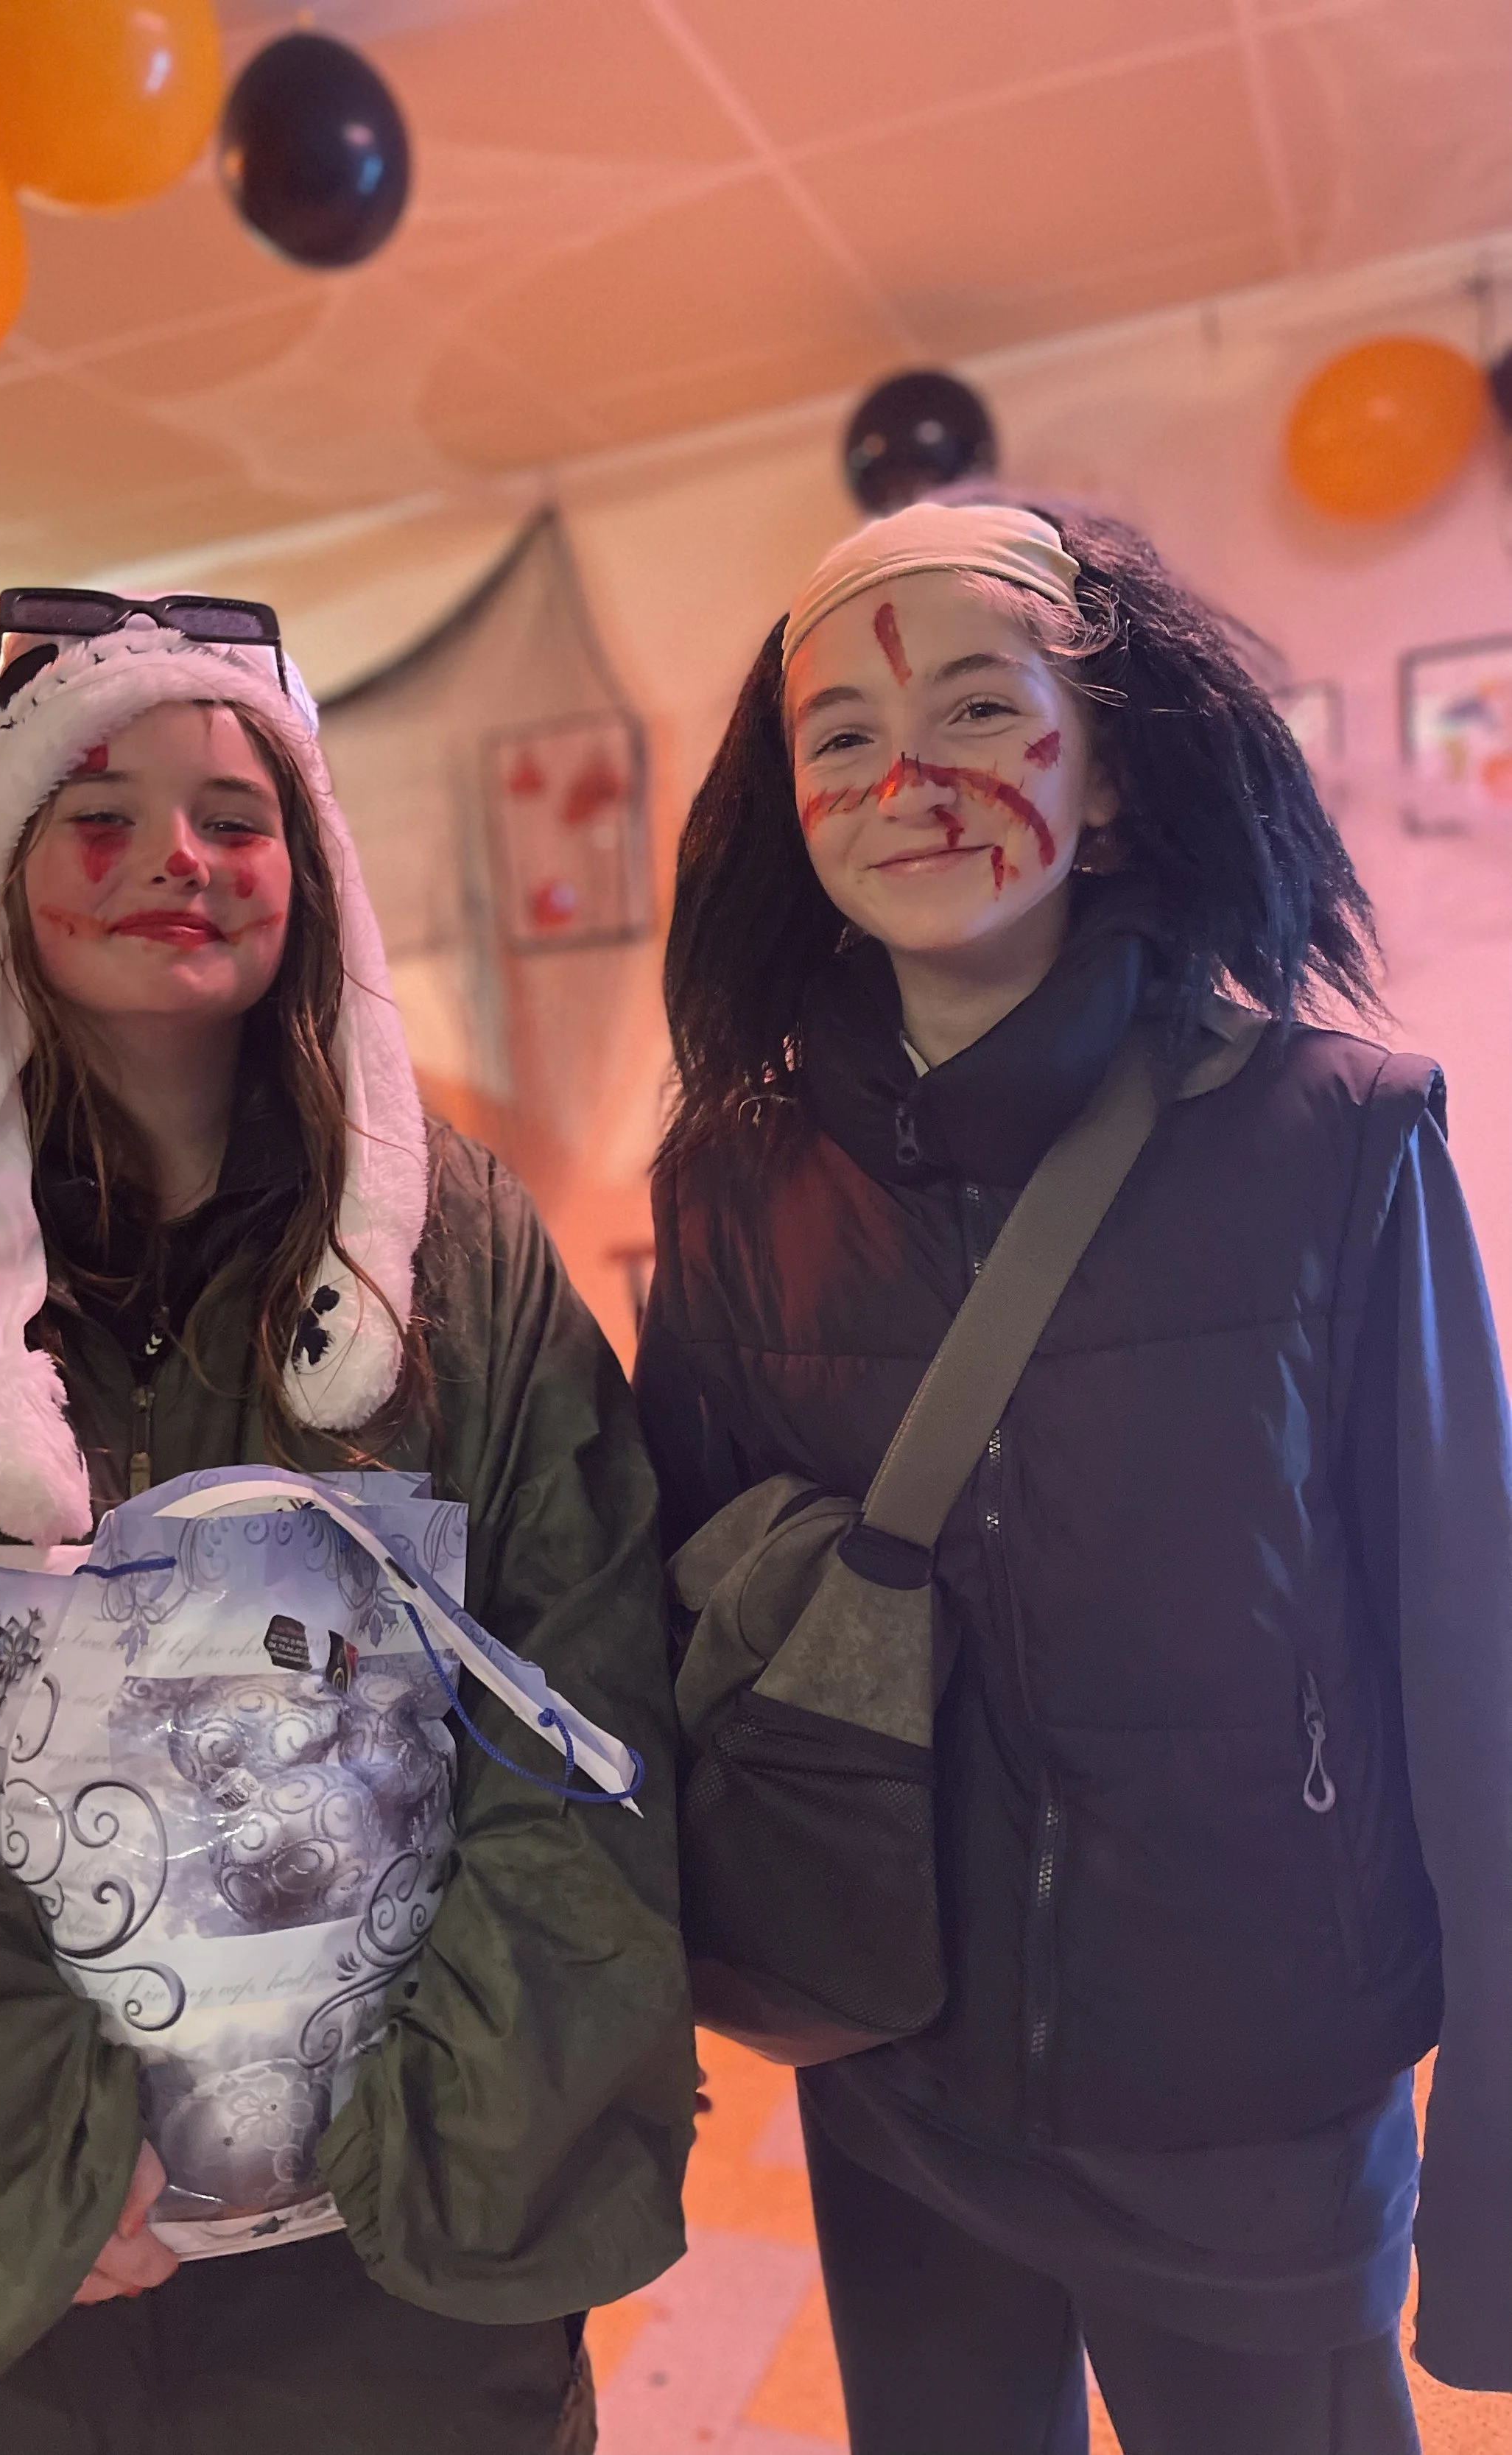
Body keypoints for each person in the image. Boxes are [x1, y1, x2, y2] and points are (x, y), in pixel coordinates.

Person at [0, 594, 695, 2454]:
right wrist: (5, 2154)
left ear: (305, 863)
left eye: (233, 815)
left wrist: (450, 2122)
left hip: (389, 2284)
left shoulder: (458, 1259)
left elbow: (584, 1694)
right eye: (96, 814)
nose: (177, 862)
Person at [634, 499, 1512, 2454]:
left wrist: (1495, 2174)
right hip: (891, 2072)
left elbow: (1475, 1668)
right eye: (841, 737)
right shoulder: (729, 1197)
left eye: (979, 707)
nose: (910, 777)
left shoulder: (1335, 1146)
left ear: (1108, 774)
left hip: (1251, 2097)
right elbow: (658, 1658)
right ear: (791, 814)